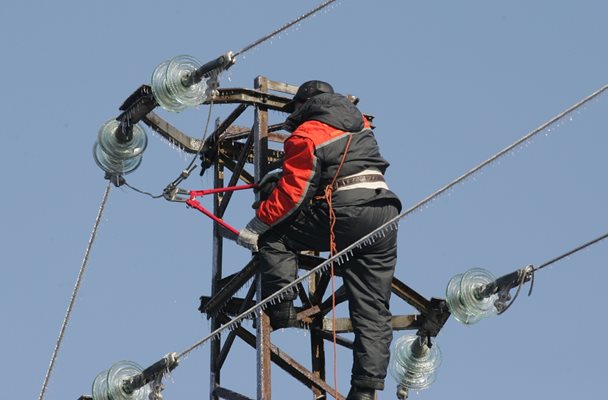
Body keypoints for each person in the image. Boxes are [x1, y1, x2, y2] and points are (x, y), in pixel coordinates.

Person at [238, 80, 401, 400]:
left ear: (304, 106)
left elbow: (294, 194)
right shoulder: (362, 126)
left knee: (274, 239)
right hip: (383, 212)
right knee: (373, 307)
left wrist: (258, 224)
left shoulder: (306, 133)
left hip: (347, 211)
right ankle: (366, 389)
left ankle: (282, 310)